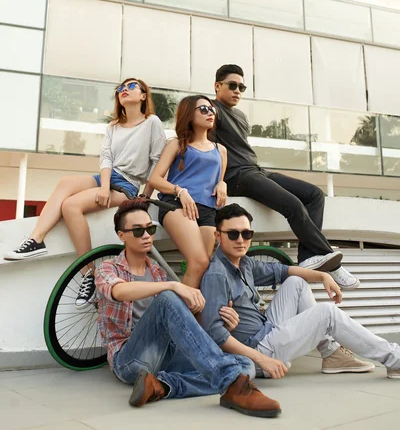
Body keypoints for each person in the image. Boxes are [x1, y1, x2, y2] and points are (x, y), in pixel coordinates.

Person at [94, 198, 282, 418]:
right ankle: (233, 385)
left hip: (163, 355)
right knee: (167, 298)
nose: (146, 236)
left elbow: (180, 323)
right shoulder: (107, 268)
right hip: (129, 360)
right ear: (121, 235)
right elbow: (119, 291)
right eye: (137, 231)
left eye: (150, 229)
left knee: (245, 366)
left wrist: (224, 321)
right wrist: (174, 285)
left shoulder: (155, 271)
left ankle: (161, 386)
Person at [4, 78, 166, 309]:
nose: (123, 91)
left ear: (143, 95)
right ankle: (35, 240)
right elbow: (106, 158)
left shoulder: (152, 122)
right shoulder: (113, 126)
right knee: (65, 183)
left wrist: (145, 196)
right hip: (107, 178)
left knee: (70, 206)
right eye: (120, 88)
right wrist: (103, 186)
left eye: (130, 87)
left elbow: (157, 161)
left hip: (128, 185)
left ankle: (88, 273)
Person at [200, 203, 400, 381]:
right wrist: (262, 359)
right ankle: (395, 358)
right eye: (233, 234)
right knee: (326, 313)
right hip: (257, 351)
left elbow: (283, 271)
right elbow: (215, 333)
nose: (241, 240)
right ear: (218, 235)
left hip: (266, 330)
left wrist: (324, 276)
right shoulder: (217, 275)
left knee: (296, 281)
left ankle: (331, 354)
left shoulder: (244, 263)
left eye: (247, 234)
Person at [212, 63, 359, 290]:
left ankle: (308, 258)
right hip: (237, 175)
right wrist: (219, 180)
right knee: (293, 204)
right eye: (232, 85)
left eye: (242, 87)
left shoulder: (240, 116)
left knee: (314, 195)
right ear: (217, 86)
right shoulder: (212, 110)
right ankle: (331, 262)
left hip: (256, 169)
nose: (238, 91)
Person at [150, 95, 227, 288]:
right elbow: (155, 178)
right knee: (199, 262)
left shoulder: (221, 150)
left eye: (212, 109)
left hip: (208, 209)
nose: (210, 113)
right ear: (189, 114)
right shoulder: (177, 144)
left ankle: (193, 316)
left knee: (204, 268)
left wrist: (223, 184)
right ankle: (179, 316)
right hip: (177, 205)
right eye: (203, 109)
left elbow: (219, 179)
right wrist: (180, 191)